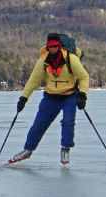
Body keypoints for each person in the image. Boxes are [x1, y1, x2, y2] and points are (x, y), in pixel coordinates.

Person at [13, 33, 89, 164]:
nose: (52, 49)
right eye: (50, 46)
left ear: (59, 46)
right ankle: (28, 150)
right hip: (51, 97)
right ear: (47, 47)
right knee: (39, 123)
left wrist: (82, 95)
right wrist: (23, 98)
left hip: (69, 96)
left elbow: (84, 77)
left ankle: (65, 148)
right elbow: (34, 80)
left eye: (55, 46)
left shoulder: (71, 58)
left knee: (68, 122)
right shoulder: (44, 60)